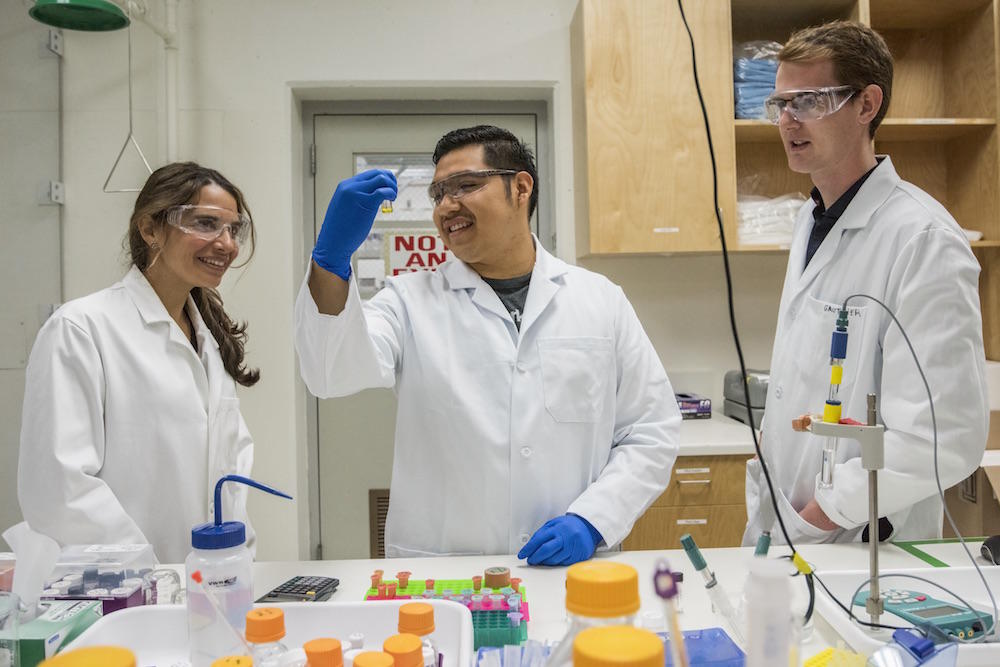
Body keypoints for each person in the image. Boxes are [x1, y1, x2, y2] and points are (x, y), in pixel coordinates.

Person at [295, 125, 680, 563]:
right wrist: (330, 262)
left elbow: (651, 430)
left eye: (464, 186)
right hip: (443, 570)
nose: (446, 206)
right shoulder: (408, 300)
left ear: (520, 187)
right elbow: (330, 373)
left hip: (569, 569)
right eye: (437, 193)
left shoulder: (600, 300)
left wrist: (593, 520)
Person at [743, 21, 988, 545]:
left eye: (808, 101)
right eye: (780, 103)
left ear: (866, 104)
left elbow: (944, 437)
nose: (787, 120)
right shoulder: (812, 220)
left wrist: (823, 513)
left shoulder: (923, 239)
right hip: (790, 522)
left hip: (861, 541)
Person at [18, 162, 260, 563]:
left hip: (207, 585)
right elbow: (60, 490)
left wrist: (234, 563)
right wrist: (149, 576)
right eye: (205, 223)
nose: (226, 243)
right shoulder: (82, 329)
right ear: (149, 229)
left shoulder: (207, 341)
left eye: (234, 229)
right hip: (125, 592)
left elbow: (230, 472)